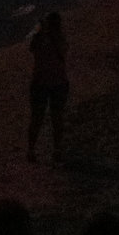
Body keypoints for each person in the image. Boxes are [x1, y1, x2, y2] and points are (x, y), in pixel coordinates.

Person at [26, 11, 70, 162]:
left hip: (43, 83)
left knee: (41, 118)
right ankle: (54, 150)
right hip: (56, 83)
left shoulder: (48, 39)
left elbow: (33, 48)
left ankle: (34, 150)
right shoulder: (57, 39)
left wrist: (41, 32)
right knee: (54, 118)